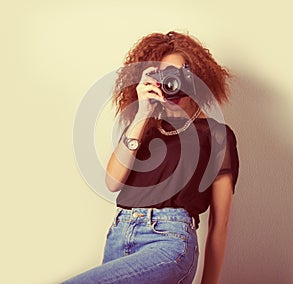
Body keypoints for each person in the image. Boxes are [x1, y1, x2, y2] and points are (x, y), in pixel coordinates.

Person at [63, 31, 239, 284]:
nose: (170, 82)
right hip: (119, 236)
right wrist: (141, 114)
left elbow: (219, 224)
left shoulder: (216, 133)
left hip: (170, 241)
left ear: (198, 77)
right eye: (161, 75)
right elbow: (112, 182)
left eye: (180, 73)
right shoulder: (142, 129)